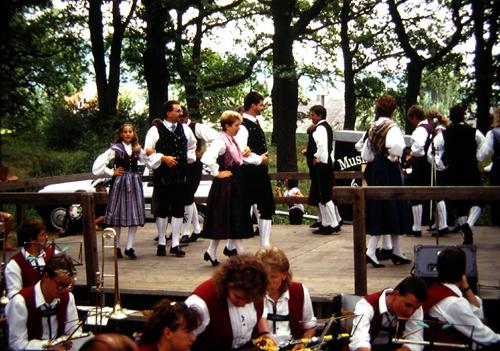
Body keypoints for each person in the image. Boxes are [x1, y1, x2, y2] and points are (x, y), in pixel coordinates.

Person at [360, 95, 411, 268]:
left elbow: (365, 152)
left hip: (375, 169)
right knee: (391, 205)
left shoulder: (373, 127)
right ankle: (371, 250)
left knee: (383, 206)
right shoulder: (392, 127)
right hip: (389, 170)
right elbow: (396, 147)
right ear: (393, 110)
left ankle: (395, 250)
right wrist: (392, 157)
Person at [185, 254, 275, 350]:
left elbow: (260, 315)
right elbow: (181, 340)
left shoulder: (257, 294)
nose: (241, 304)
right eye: (237, 297)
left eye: (248, 300)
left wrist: (265, 335)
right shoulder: (202, 304)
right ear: (226, 285)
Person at [200, 111, 254, 265]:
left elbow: (240, 159)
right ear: (227, 126)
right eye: (236, 125)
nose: (239, 128)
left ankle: (211, 251)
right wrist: (217, 173)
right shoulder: (221, 141)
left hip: (234, 184)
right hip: (226, 185)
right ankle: (243, 257)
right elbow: (207, 157)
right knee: (233, 217)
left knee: (226, 218)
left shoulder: (231, 140)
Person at [144, 100, 197, 257]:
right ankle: (161, 242)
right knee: (163, 208)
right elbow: (147, 151)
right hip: (163, 174)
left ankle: (175, 243)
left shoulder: (185, 129)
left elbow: (192, 146)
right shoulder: (155, 130)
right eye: (177, 110)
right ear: (168, 113)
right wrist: (162, 158)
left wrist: (186, 159)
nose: (181, 113)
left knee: (178, 208)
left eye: (181, 111)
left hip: (181, 174)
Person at [422, 247, 500, 350]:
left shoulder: (435, 289)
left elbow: (478, 316)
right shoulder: (455, 303)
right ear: (463, 272)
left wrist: (466, 288)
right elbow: (484, 336)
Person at [93, 122, 147, 260]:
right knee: (118, 215)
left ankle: (129, 247)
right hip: (120, 183)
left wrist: (145, 153)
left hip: (134, 183)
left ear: (134, 133)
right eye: (125, 132)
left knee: (134, 214)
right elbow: (98, 165)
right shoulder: (115, 149)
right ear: (121, 134)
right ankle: (117, 246)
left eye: (130, 131)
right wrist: (111, 172)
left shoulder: (137, 149)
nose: (128, 134)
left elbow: (148, 161)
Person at [6, 253, 81, 351]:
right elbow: (17, 344)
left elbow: (75, 331)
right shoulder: (20, 302)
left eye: (68, 286)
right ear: (46, 277)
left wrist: (66, 339)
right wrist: (49, 346)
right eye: (60, 285)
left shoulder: (68, 297)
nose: (64, 290)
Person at [433, 104, 485, 244]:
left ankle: (465, 227)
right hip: (471, 170)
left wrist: (440, 165)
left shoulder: (443, 135)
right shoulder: (474, 132)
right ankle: (469, 225)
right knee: (479, 200)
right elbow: (484, 147)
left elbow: (435, 152)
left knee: (457, 205)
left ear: (451, 117)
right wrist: (477, 157)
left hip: (453, 172)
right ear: (463, 116)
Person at [234, 91, 275, 248]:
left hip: (258, 172)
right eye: (261, 104)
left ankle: (264, 243)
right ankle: (259, 245)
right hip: (249, 173)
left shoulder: (254, 123)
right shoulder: (243, 126)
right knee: (248, 208)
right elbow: (241, 154)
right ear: (253, 105)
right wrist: (260, 159)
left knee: (265, 206)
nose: (263, 107)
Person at [255, 247, 317, 349]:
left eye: (273, 277)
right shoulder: (252, 294)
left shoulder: (299, 290)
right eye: (263, 277)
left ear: (284, 275)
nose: (267, 282)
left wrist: (302, 343)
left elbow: (310, 327)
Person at [349, 276, 428, 351]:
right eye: (407, 305)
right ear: (395, 294)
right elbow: (359, 341)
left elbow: (415, 342)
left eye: (415, 308)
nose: (410, 312)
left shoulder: (415, 306)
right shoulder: (366, 306)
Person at [178, 106, 220, 244]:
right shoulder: (174, 128)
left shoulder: (196, 127)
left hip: (194, 165)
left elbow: (216, 138)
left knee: (188, 195)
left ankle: (186, 231)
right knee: (186, 196)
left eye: (181, 118)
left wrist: (203, 154)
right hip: (181, 164)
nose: (180, 121)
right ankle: (196, 228)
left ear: (185, 117)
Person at [302, 105, 341, 235]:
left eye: (313, 115)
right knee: (322, 195)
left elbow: (322, 146)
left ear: (319, 115)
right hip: (325, 164)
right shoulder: (326, 128)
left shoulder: (320, 129)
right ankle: (325, 223)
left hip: (322, 165)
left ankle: (334, 223)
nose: (311, 117)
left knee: (325, 195)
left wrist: (317, 157)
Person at [5, 219, 55, 299]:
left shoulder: (54, 254)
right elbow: (15, 296)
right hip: (30, 309)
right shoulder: (14, 264)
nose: (47, 237)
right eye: (42, 235)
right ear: (32, 240)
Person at [407, 105, 433, 237]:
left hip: (421, 165)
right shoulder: (431, 127)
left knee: (415, 193)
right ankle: (441, 224)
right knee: (433, 192)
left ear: (415, 117)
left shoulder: (420, 130)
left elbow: (418, 148)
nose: (411, 123)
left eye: (411, 119)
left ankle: (416, 227)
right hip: (430, 165)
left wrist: (412, 154)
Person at [426, 111, 450, 235]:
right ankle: (439, 222)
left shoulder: (438, 135)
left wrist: (437, 164)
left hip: (440, 168)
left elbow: (431, 153)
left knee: (439, 196)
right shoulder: (447, 133)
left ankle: (443, 225)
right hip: (446, 167)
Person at [478, 106, 500, 227]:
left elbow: (482, 154)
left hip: (498, 170)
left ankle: (497, 225)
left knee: (496, 199)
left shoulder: (493, 133)